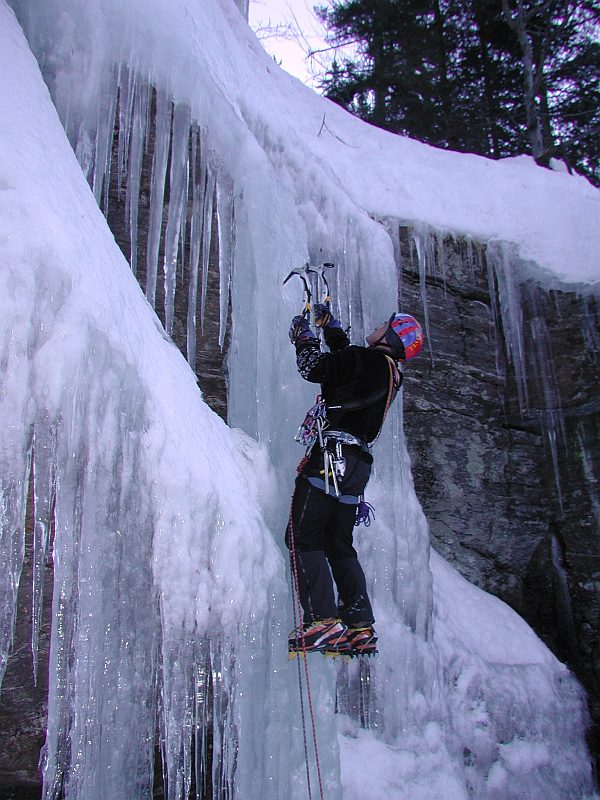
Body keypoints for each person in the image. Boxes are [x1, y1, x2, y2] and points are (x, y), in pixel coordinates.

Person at [286, 304, 424, 657]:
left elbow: (316, 368)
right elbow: (349, 366)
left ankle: (322, 622)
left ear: (391, 337)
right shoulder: (389, 373)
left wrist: (304, 338)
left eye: (383, 325)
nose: (376, 326)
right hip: (356, 467)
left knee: (303, 536)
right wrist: (330, 329)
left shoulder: (368, 361)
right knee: (338, 544)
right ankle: (359, 628)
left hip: (331, 459)